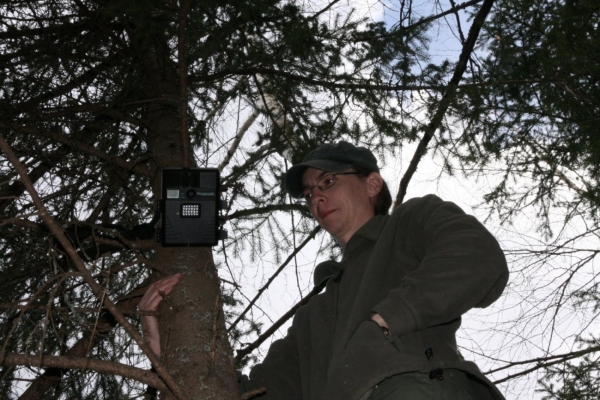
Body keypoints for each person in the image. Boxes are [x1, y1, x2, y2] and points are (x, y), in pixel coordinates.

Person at [140, 141, 509, 400]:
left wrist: (383, 323)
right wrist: (164, 349)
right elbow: (253, 395)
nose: (316, 197)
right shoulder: (312, 318)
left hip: (412, 389)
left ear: (372, 184)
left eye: (328, 182)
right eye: (308, 193)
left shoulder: (409, 222)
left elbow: (477, 258)